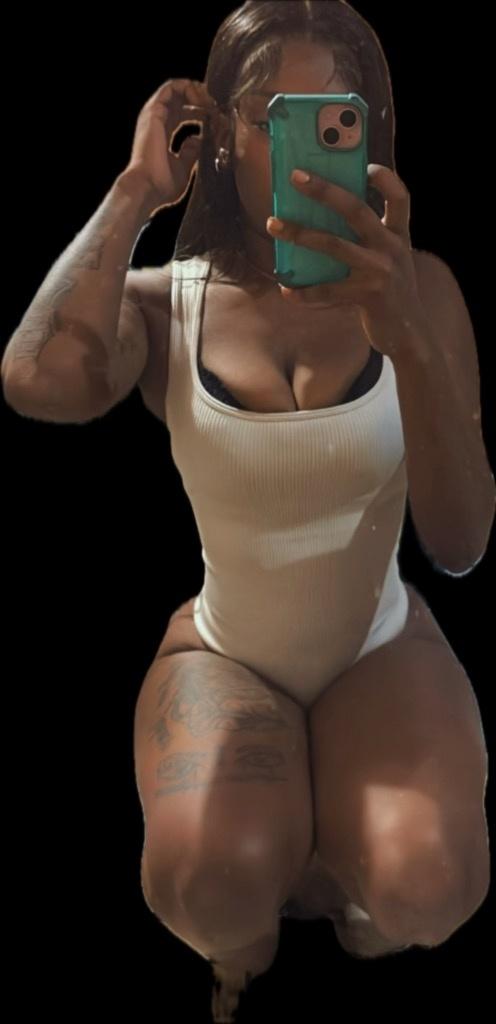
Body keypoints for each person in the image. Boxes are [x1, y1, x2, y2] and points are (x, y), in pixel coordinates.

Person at [3, 4, 492, 1021]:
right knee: (206, 885)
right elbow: (35, 379)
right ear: (224, 133)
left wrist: (405, 334)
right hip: (232, 649)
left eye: (333, 116)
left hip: (375, 643)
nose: (302, 145)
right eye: (273, 116)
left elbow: (460, 542)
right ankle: (249, 943)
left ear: (367, 128)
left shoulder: (422, 292)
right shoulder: (170, 301)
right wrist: (135, 191)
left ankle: (346, 895)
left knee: (430, 886)